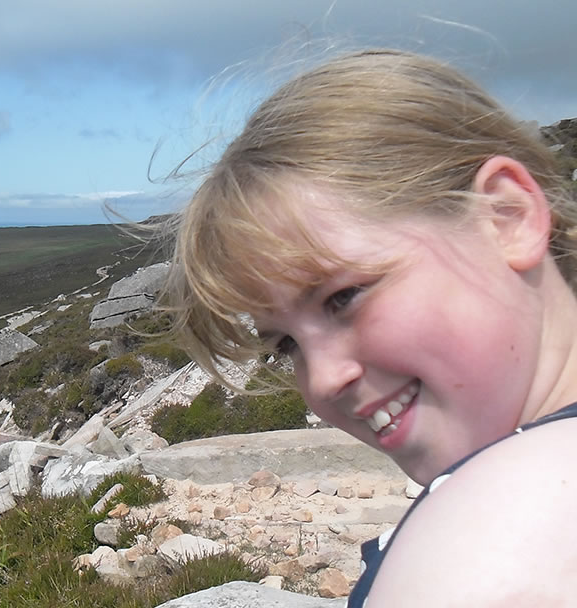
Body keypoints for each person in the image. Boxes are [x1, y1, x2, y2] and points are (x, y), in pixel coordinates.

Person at [165, 49, 577, 607]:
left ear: (506, 216)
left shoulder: (495, 548)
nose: (323, 382)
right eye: (286, 344)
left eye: (344, 297)